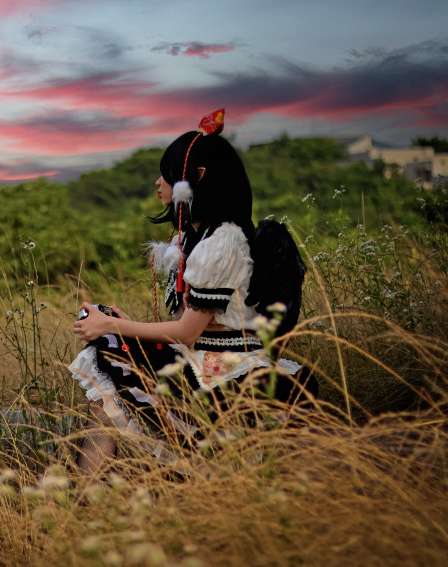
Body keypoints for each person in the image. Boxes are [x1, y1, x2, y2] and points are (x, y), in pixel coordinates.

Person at [68, 109, 316, 475]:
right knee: (110, 358)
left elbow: (187, 332)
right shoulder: (197, 237)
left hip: (226, 369)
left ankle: (84, 493)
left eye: (166, 174)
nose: (158, 182)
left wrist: (114, 326)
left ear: (195, 179)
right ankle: (84, 492)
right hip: (203, 355)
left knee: (110, 359)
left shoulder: (223, 240)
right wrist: (120, 323)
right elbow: (190, 326)